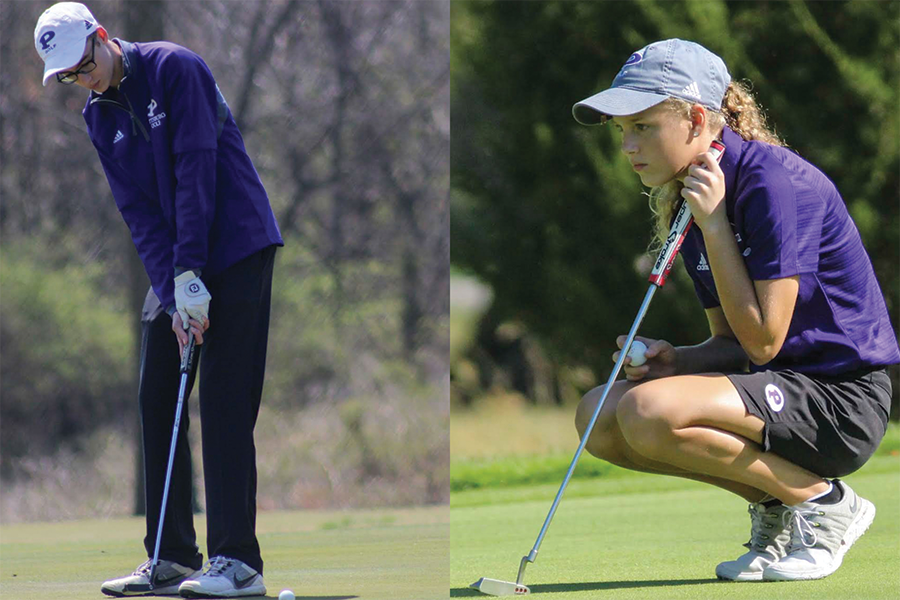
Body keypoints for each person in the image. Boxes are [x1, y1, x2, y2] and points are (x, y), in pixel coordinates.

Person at [571, 38, 898, 582]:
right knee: (598, 415)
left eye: (643, 127)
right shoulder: (692, 195)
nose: (628, 147)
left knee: (647, 412)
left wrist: (716, 226)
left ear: (697, 118)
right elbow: (732, 345)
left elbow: (763, 341)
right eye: (622, 131)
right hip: (777, 392)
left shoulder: (771, 182)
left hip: (842, 401)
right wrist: (672, 362)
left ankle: (826, 504)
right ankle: (776, 508)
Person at [34, 2, 283, 597]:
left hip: (238, 245)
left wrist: (192, 270)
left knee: (223, 400)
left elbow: (196, 170)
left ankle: (237, 562)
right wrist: (174, 293)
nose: (79, 79)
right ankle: (170, 554)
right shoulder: (99, 117)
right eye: (66, 76)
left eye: (81, 65)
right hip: (178, 263)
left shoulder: (176, 68)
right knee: (155, 393)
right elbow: (138, 210)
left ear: (101, 38)